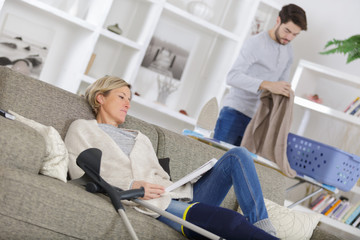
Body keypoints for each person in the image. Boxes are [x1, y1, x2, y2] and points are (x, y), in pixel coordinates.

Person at [65, 76, 278, 239]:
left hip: (174, 194)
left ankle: (265, 228)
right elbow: (80, 170)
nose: (127, 104)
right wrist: (131, 185)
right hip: (144, 199)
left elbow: (159, 175)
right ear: (100, 97)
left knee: (238, 155)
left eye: (129, 99)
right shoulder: (83, 129)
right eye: (121, 97)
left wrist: (187, 181)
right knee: (230, 221)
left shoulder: (140, 137)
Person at [214, 4, 307, 146]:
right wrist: (268, 85)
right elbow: (232, 77)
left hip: (258, 120)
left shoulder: (288, 51)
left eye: (295, 35)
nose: (289, 37)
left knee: (239, 167)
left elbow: (282, 85)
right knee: (217, 160)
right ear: (278, 21)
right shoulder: (256, 43)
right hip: (234, 113)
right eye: (287, 31)